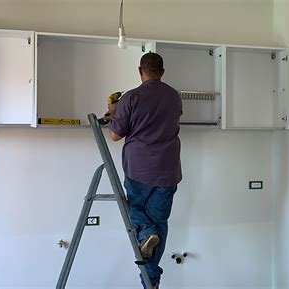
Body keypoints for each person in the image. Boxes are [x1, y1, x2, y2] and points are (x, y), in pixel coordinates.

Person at [107, 52, 182, 289]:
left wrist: (114, 111)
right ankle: (151, 281)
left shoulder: (131, 97)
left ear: (141, 71)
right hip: (168, 169)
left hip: (139, 168)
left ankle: (147, 233)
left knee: (135, 209)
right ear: (162, 71)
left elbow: (115, 135)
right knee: (160, 222)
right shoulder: (174, 96)